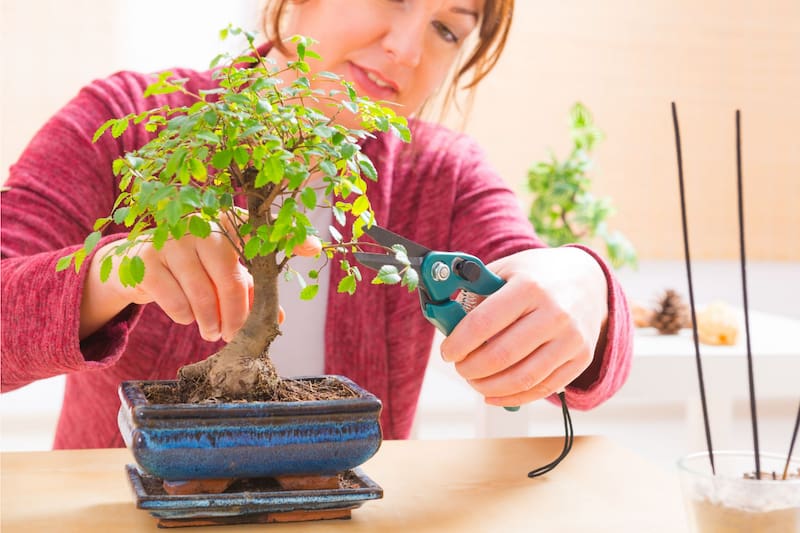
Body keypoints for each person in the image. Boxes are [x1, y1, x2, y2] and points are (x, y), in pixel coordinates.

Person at [1, 0, 632, 449]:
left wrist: (583, 286)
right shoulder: (132, 122)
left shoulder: (441, 175)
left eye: (446, 29)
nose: (408, 49)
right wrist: (121, 267)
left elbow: (557, 332)